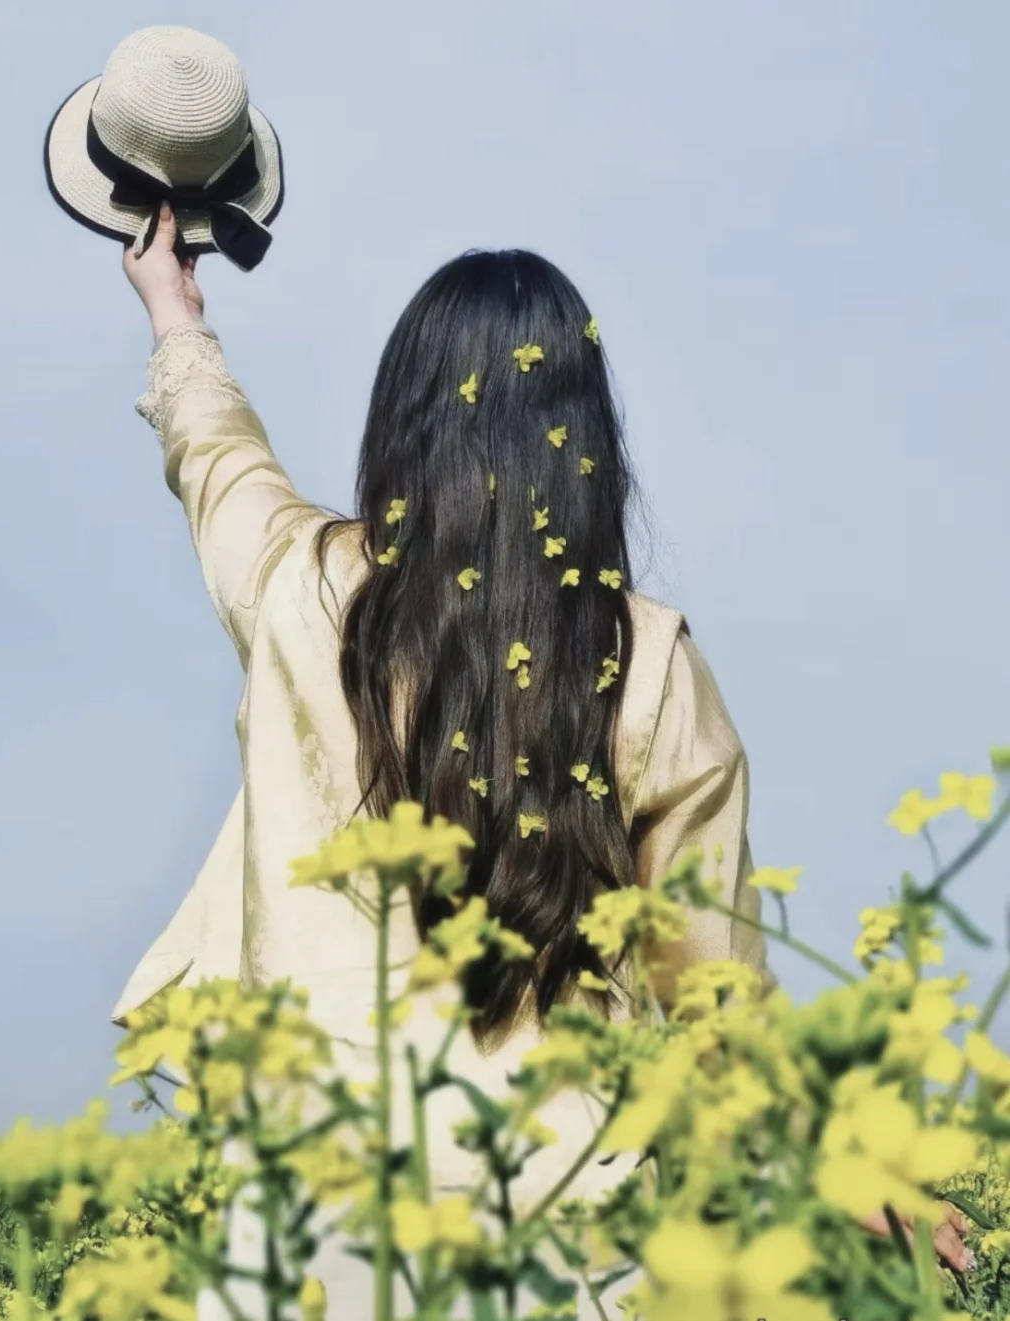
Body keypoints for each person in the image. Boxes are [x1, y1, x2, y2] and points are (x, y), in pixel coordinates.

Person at [118, 204, 973, 1311]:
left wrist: (176, 313)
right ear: (585, 445)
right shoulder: (648, 664)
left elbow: (218, 461)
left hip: (308, 1204)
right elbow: (718, 994)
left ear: (405, 421)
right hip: (563, 1216)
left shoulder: (302, 590)